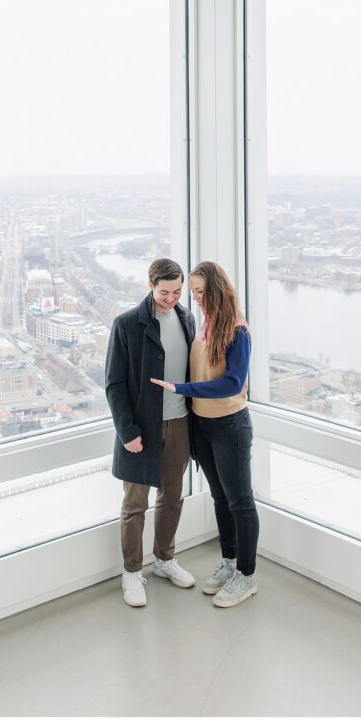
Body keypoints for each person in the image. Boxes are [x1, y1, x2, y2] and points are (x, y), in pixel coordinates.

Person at [151, 260, 259, 608]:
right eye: (193, 292)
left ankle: (247, 575)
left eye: (200, 291)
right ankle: (229, 562)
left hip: (230, 425)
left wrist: (181, 388)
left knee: (240, 501)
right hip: (203, 425)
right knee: (219, 497)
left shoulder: (237, 331)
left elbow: (232, 383)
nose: (195, 298)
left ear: (216, 289)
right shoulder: (204, 324)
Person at [105, 257, 197, 608]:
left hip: (179, 424)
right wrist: (127, 431)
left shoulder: (186, 318)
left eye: (177, 291)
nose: (171, 298)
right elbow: (114, 384)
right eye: (164, 292)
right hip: (140, 430)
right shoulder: (127, 324)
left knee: (172, 497)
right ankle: (131, 572)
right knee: (134, 504)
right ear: (150, 285)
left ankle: (164, 559)